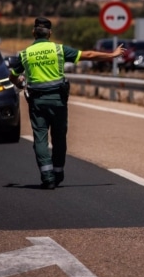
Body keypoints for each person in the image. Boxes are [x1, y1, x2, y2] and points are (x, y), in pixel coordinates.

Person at [9, 17, 126, 190]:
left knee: (40, 139)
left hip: (37, 103)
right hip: (58, 101)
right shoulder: (59, 50)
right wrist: (112, 55)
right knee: (59, 138)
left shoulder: (25, 54)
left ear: (33, 32)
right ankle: (57, 173)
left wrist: (20, 83)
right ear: (50, 33)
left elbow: (12, 75)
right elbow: (89, 55)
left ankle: (47, 177)